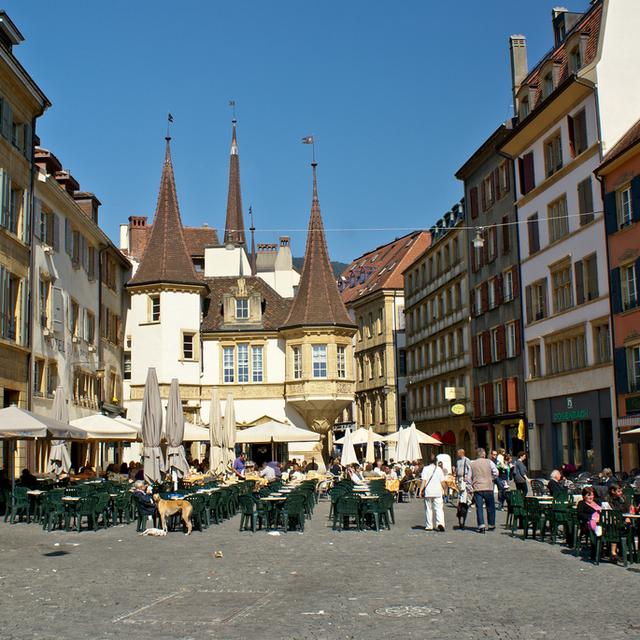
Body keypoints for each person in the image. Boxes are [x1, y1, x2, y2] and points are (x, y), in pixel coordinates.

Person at [469, 448, 498, 533]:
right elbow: (496, 472)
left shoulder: (472, 464)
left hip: (478, 488)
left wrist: (471, 484)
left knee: (479, 508)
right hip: (488, 487)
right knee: (491, 507)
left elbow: (468, 478)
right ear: (484, 455)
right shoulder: (489, 462)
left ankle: (481, 525)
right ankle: (491, 524)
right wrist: (492, 478)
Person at [419, 455, 447, 532]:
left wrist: (420, 491)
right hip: (438, 491)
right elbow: (443, 482)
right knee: (439, 509)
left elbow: (423, 481)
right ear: (436, 461)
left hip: (428, 492)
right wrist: (445, 490)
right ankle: (440, 523)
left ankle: (429, 525)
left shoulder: (425, 469)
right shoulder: (439, 469)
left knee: (428, 509)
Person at [576, 486, 601, 558]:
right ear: (584, 496)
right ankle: (595, 551)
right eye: (588, 495)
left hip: (600, 522)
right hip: (588, 525)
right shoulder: (582, 503)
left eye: (592, 495)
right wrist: (591, 518)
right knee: (598, 530)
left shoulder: (597, 502)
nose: (591, 497)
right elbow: (580, 515)